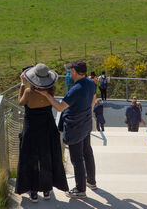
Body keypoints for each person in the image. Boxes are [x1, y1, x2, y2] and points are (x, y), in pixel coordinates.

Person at [36, 59, 96, 200]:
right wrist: (86, 112)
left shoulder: (76, 89)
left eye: (70, 71)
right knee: (87, 151)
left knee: (77, 158)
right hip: (86, 123)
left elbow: (60, 107)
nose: (69, 73)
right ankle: (91, 181)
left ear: (74, 72)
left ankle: (80, 190)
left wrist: (46, 95)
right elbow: (93, 99)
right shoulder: (91, 83)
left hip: (75, 127)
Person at [15, 63, 68, 203]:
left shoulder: (28, 92)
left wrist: (22, 84)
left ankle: (33, 192)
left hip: (32, 127)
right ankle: (46, 190)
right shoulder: (52, 90)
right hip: (47, 126)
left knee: (31, 158)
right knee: (46, 157)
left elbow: (20, 103)